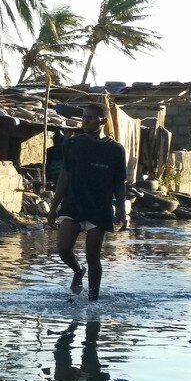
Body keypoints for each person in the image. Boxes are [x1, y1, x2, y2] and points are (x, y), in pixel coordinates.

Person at [49, 109, 127, 300]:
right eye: (84, 117)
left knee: (93, 257)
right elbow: (64, 176)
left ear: (103, 121)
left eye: (91, 117)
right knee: (63, 249)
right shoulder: (72, 144)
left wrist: (122, 212)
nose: (86, 121)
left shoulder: (116, 150)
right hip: (74, 204)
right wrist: (53, 207)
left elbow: (119, 183)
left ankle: (93, 300)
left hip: (99, 209)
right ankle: (77, 270)